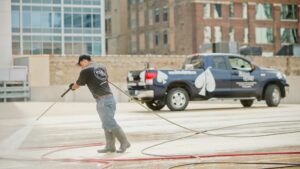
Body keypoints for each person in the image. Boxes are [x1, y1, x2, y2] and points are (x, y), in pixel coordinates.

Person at [70, 55, 130, 153]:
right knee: (106, 123)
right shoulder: (102, 67)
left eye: (81, 64)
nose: (81, 67)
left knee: (109, 123)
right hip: (109, 99)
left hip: (103, 100)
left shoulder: (85, 71)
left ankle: (125, 142)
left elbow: (78, 84)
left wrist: (72, 87)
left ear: (84, 61)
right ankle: (110, 146)